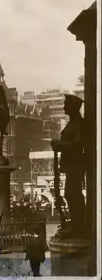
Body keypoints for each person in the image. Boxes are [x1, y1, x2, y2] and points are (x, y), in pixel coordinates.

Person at [51, 94, 86, 237]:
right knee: (71, 194)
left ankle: (78, 228)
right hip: (71, 164)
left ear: (73, 107)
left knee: (73, 194)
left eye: (66, 104)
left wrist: (59, 145)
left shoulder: (79, 123)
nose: (64, 107)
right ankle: (76, 226)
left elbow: (78, 145)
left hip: (76, 163)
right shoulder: (72, 122)